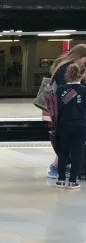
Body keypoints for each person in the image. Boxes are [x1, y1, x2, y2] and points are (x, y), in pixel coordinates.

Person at [46, 44, 86, 179]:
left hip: (63, 111)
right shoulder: (66, 68)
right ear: (80, 56)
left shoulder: (65, 65)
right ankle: (56, 167)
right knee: (66, 141)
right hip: (63, 112)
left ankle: (61, 166)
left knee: (66, 140)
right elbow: (69, 92)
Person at [55, 62, 86, 190]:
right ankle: (73, 181)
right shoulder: (84, 91)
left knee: (63, 152)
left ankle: (61, 179)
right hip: (81, 125)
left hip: (63, 125)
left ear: (67, 75)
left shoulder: (60, 89)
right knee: (77, 152)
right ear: (81, 75)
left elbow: (56, 108)